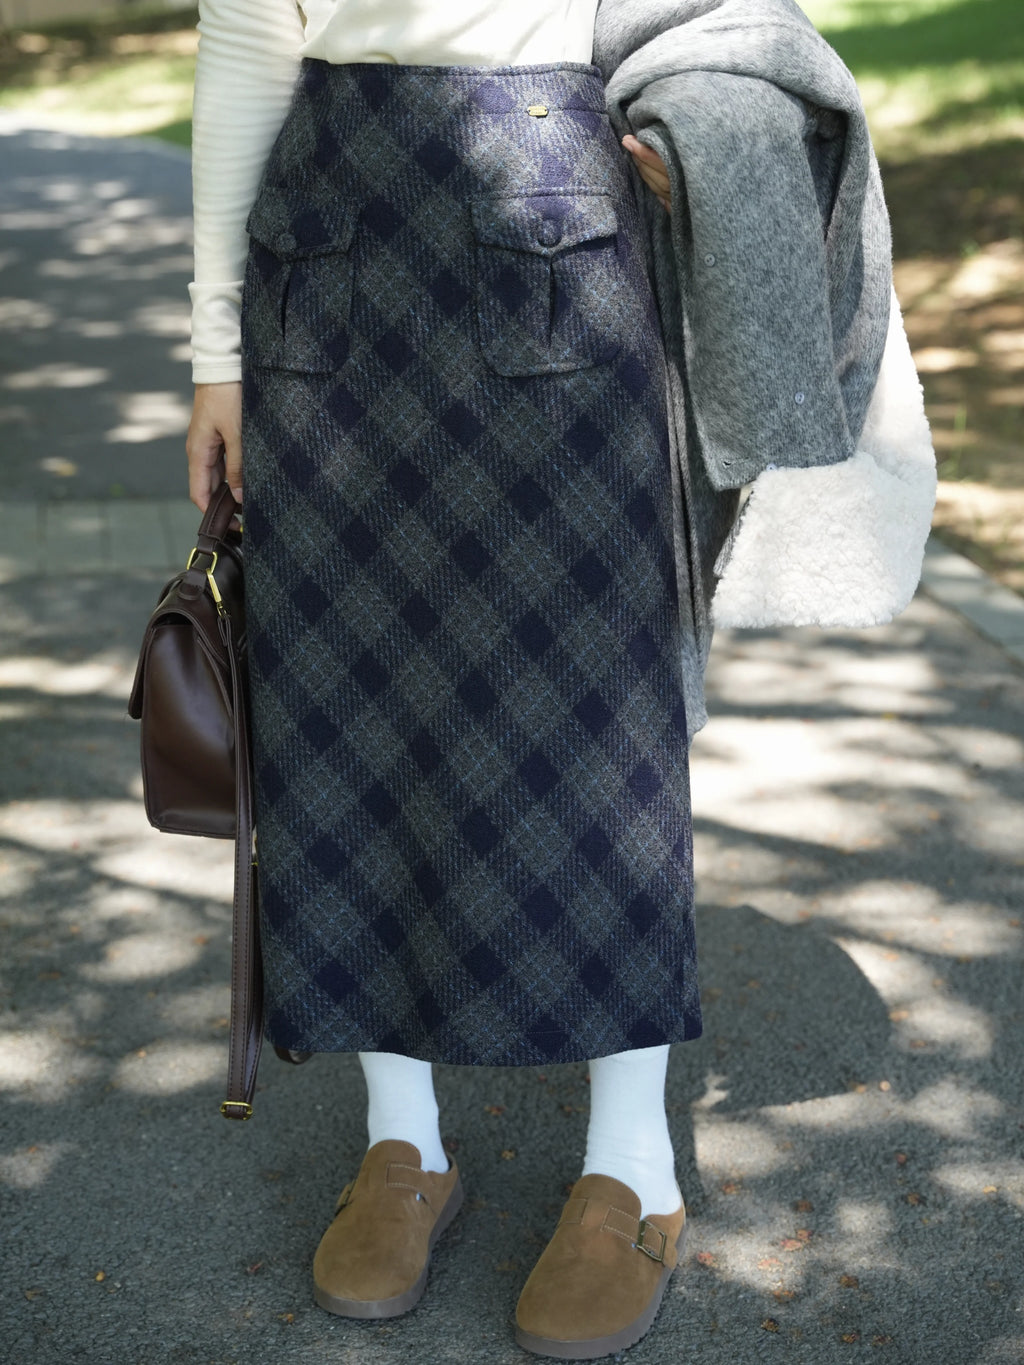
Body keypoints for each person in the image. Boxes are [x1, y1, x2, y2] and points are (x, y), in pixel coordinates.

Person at [184, 0, 936, 1357]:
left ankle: (631, 1166)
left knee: (598, 727)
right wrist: (213, 351)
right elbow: (247, 42)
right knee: (341, 715)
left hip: (559, 222)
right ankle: (401, 1142)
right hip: (326, 242)